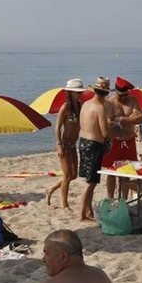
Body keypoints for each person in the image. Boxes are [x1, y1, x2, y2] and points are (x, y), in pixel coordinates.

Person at [45, 79, 86, 210]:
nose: (79, 95)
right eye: (76, 92)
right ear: (70, 93)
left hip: (74, 145)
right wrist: (58, 145)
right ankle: (64, 204)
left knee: (73, 175)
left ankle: (51, 189)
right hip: (65, 144)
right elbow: (57, 127)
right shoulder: (65, 107)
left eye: (80, 92)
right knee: (67, 175)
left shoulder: (79, 106)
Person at [78, 77, 113, 222]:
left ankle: (89, 210)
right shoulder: (100, 108)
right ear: (105, 94)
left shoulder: (85, 104)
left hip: (82, 142)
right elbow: (105, 133)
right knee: (91, 182)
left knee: (89, 179)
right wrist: (113, 132)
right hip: (94, 144)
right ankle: (81, 213)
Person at [103, 77, 142, 199]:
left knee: (127, 172)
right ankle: (110, 198)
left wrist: (120, 119)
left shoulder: (132, 100)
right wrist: (129, 119)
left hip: (129, 141)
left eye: (126, 95)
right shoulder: (110, 103)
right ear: (116, 92)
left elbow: (140, 118)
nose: (124, 98)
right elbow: (109, 123)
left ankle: (124, 199)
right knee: (111, 172)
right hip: (114, 141)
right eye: (121, 95)